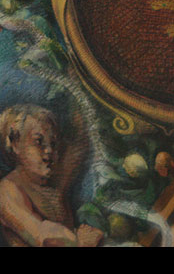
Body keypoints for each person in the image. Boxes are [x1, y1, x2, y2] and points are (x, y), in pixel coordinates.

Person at [0, 104, 103, 247]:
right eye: (38, 142)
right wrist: (79, 241)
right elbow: (41, 234)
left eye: (53, 143)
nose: (49, 150)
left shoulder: (52, 185)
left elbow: (79, 147)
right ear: (16, 143)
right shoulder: (8, 189)